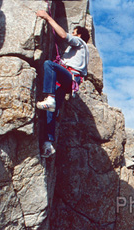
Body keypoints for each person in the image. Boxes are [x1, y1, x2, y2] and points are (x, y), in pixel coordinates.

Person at [35, 10, 90, 158]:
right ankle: (48, 143)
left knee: (49, 65)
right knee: (51, 110)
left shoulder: (80, 43)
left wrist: (47, 17)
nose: (73, 33)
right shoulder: (79, 52)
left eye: (75, 32)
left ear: (78, 35)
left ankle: (50, 96)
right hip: (69, 81)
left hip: (69, 77)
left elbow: (64, 35)